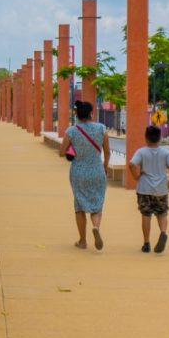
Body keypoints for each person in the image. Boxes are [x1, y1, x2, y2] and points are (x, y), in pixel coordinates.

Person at [58, 101, 111, 250]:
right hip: (97, 171)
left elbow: (61, 152)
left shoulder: (71, 131)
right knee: (97, 204)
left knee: (79, 206)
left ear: (77, 115)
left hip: (78, 172)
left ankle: (82, 241)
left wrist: (72, 150)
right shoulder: (101, 128)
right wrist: (105, 166)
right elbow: (107, 152)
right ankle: (95, 226)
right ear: (91, 114)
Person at [128, 125, 169, 253]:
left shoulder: (141, 152)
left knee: (146, 215)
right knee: (162, 213)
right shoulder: (166, 152)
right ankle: (163, 232)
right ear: (160, 138)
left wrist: (136, 176)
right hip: (161, 189)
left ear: (146, 138)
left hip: (144, 188)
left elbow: (132, 164)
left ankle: (146, 244)